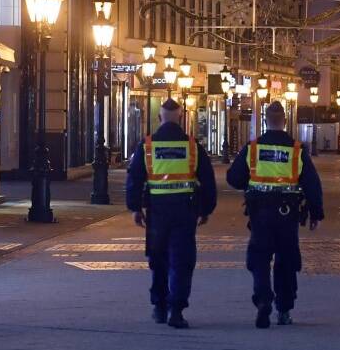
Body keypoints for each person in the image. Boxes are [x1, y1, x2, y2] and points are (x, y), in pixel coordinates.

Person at [226, 101, 324, 328]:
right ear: (285, 121)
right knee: (287, 261)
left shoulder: (253, 148)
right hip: (287, 213)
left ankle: (262, 298)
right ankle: (284, 310)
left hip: (260, 212)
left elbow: (233, 178)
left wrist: (252, 183)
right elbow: (312, 184)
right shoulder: (297, 150)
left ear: (265, 120)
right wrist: (316, 213)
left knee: (259, 258)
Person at [126, 98, 216, 329]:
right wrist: (206, 209)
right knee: (182, 261)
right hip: (185, 212)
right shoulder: (193, 147)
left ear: (159, 118)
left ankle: (159, 306)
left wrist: (135, 208)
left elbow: (135, 179)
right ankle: (176, 310)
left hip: (157, 211)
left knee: (158, 259)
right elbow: (207, 180)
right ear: (182, 117)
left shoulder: (147, 145)